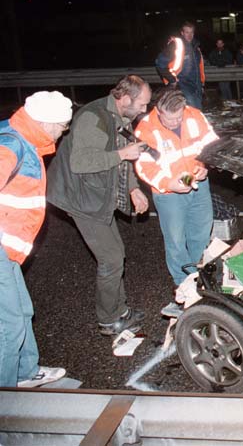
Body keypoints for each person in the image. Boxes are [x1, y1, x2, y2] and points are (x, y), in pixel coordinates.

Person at [47, 75, 152, 337]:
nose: (144, 110)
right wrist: (122, 154)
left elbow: (125, 157)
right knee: (111, 258)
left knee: (116, 253)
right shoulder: (93, 118)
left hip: (97, 193)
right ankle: (108, 320)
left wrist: (133, 189)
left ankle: (121, 310)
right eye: (142, 104)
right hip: (80, 197)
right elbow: (80, 163)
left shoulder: (123, 117)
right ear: (125, 99)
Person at [0, 91, 72, 388]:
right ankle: (8, 407)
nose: (63, 131)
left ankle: (25, 373)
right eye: (62, 126)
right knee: (9, 327)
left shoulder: (22, 136)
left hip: (9, 250)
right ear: (46, 123)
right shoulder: (10, 147)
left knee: (22, 312)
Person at [133, 87, 218, 311]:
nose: (175, 122)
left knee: (201, 231)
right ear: (158, 111)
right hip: (168, 192)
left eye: (179, 117)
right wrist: (167, 184)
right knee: (176, 240)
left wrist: (203, 166)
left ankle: (199, 278)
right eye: (169, 119)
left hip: (198, 184)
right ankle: (183, 285)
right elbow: (144, 166)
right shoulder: (146, 130)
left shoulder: (194, 116)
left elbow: (211, 145)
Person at [155, 21, 206, 110]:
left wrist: (201, 84)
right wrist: (172, 80)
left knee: (197, 112)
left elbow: (199, 69)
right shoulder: (176, 45)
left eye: (191, 32)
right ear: (182, 33)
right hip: (183, 86)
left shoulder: (196, 48)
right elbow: (160, 63)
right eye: (187, 32)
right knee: (191, 112)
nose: (190, 35)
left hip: (196, 86)